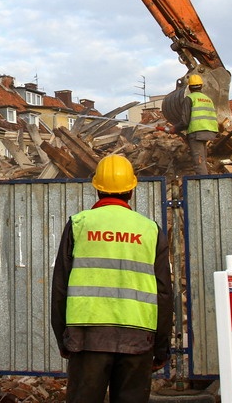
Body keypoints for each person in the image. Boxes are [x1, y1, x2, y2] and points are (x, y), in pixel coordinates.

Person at [51, 154, 172, 403]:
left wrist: (63, 336)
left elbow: (60, 287)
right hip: (138, 339)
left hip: (86, 338)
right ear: (131, 189)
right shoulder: (150, 230)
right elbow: (163, 293)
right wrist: (161, 347)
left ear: (97, 188)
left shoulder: (79, 224)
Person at [183, 74, 218, 174]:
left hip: (196, 132)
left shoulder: (189, 98)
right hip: (210, 131)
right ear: (201, 86)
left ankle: (204, 185)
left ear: (189, 87)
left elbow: (185, 121)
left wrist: (174, 128)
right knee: (202, 158)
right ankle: (206, 177)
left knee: (198, 161)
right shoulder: (208, 99)